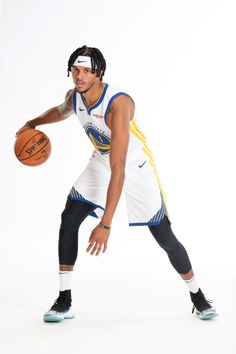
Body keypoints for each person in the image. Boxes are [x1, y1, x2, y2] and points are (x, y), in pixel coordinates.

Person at [16, 45, 218, 322]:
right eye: (75, 69)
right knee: (69, 218)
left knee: (164, 237)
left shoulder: (117, 105)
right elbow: (62, 110)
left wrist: (106, 223)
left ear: (99, 73)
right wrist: (32, 123)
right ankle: (64, 299)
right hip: (102, 160)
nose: (79, 75)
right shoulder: (74, 97)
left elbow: (119, 168)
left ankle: (197, 296)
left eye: (87, 71)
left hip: (133, 166)